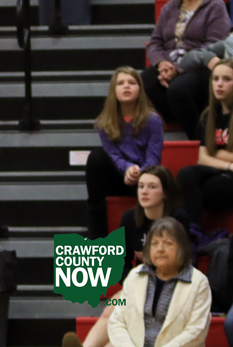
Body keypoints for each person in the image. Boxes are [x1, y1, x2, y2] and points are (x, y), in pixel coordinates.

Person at [63, 165, 191, 347]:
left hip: (170, 288)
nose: (144, 191)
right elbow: (122, 264)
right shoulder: (130, 218)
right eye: (141, 186)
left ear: (165, 193)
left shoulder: (177, 219)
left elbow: (183, 262)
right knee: (113, 309)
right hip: (139, 286)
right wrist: (132, 284)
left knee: (120, 321)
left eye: (152, 187)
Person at [141, 0, 229, 140]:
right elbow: (155, 42)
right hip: (170, 64)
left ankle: (200, 139)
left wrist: (178, 69)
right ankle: (180, 117)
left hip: (201, 67)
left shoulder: (215, 6)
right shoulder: (169, 7)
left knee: (178, 89)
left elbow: (213, 46)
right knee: (144, 81)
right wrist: (162, 64)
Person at [85, 66, 163, 239]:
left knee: (159, 179)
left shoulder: (153, 120)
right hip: (119, 176)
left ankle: (150, 236)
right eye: (120, 83)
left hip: (145, 177)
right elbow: (113, 155)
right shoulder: (105, 122)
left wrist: (139, 173)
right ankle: (96, 237)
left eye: (132, 82)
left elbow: (154, 158)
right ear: (114, 91)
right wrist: (127, 168)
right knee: (96, 157)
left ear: (140, 89)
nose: (126, 86)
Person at [108, 218, 210, 347]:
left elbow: (197, 330)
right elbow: (117, 321)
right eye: (154, 243)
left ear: (182, 248)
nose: (160, 249)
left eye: (168, 243)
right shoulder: (135, 275)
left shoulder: (199, 282)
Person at [176, 59, 233, 224]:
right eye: (215, 79)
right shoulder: (209, 115)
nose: (219, 84)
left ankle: (191, 232)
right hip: (225, 170)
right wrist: (229, 164)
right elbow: (202, 158)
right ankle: (194, 232)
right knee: (185, 174)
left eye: (227, 79)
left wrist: (215, 153)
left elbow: (209, 154)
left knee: (198, 192)